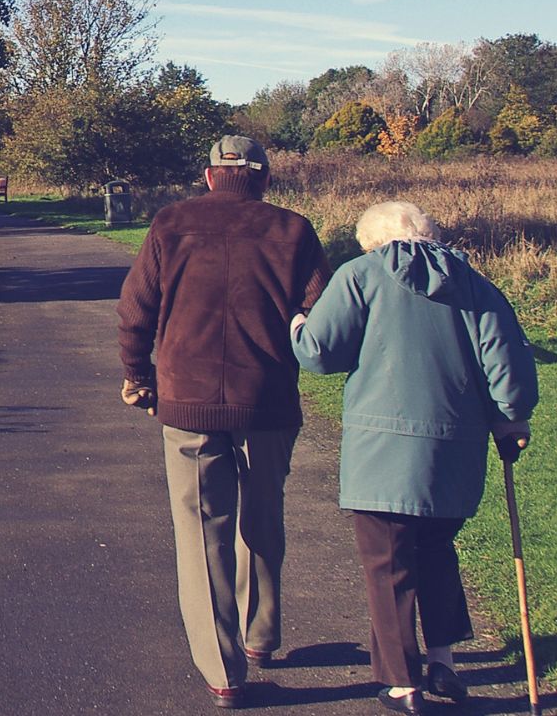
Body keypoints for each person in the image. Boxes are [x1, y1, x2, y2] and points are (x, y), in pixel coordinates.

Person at [290, 201, 538, 715]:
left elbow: (319, 351)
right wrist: (511, 418)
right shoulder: (475, 284)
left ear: (373, 242)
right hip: (455, 452)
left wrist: (297, 325)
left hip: (381, 452)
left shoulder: (360, 275)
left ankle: (403, 683)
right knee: (436, 550)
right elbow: (508, 373)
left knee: (388, 563)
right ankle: (443, 661)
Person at [117, 135, 332, 709]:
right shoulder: (293, 230)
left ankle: (223, 671)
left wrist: (138, 375)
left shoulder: (171, 223)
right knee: (263, 515)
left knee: (201, 531)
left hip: (186, 401)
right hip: (268, 400)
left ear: (210, 176)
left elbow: (135, 308)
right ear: (264, 177)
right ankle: (260, 634)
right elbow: (320, 314)